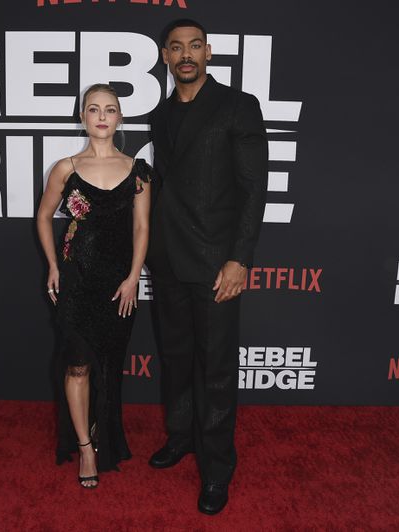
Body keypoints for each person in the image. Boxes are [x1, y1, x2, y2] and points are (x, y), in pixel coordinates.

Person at [146, 19, 268, 514]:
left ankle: (217, 469)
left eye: (194, 45)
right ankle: (181, 437)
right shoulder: (160, 113)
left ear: (208, 52)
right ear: (166, 57)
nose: (185, 54)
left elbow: (253, 188)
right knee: (176, 359)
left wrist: (240, 258)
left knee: (215, 371)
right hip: (167, 258)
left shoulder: (239, 106)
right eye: (176, 48)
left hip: (217, 261)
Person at [36, 84, 152, 489]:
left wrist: (135, 276)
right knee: (77, 364)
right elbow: (44, 216)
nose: (102, 116)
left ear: (120, 117)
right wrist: (53, 266)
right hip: (76, 281)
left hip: (118, 284)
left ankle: (105, 431)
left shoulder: (138, 171)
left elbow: (142, 227)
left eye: (110, 109)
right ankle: (85, 446)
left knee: (108, 366)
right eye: (93, 109)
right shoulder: (65, 168)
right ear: (82, 117)